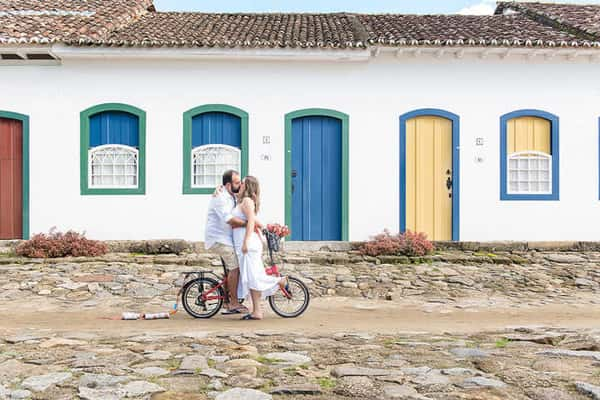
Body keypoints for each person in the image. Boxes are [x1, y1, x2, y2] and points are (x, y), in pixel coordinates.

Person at [233, 176, 289, 320]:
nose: (240, 184)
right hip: (248, 243)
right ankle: (257, 311)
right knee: (252, 277)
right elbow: (255, 221)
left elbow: (251, 221)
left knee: (254, 276)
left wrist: (245, 241)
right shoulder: (246, 201)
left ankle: (279, 281)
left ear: (247, 186)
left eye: (243, 183)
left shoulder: (246, 201)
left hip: (248, 244)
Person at [205, 170, 248, 314]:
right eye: (237, 183)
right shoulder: (221, 198)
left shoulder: (230, 194)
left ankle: (227, 301)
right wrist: (247, 224)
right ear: (228, 184)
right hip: (218, 239)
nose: (239, 185)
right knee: (235, 268)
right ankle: (233, 303)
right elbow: (228, 219)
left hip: (226, 239)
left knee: (232, 269)